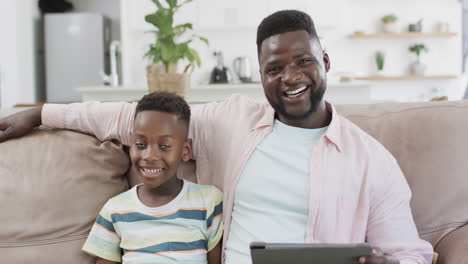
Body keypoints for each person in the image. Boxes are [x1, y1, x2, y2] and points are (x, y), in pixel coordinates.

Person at [0, 10, 433, 264]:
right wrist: (40, 112)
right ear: (261, 75)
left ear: (325, 60)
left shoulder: (371, 160)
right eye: (274, 68)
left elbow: (411, 251)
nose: (290, 78)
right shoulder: (232, 121)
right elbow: (127, 116)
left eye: (302, 62)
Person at [81, 92, 223, 264]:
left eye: (164, 146)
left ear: (185, 150)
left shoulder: (208, 202)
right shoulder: (115, 209)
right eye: (140, 144)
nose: (149, 156)